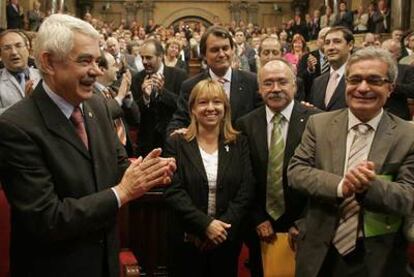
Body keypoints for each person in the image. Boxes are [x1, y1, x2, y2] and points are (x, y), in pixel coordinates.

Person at [0, 14, 175, 277]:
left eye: (97, 60)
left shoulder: (96, 105)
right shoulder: (15, 126)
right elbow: (48, 219)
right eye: (85, 61)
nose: (96, 70)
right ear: (48, 62)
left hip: (104, 263)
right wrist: (122, 192)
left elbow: (115, 166)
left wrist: (146, 170)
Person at [288, 47, 414, 277]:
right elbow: (297, 171)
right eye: (355, 79)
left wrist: (369, 186)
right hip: (319, 254)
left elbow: (409, 197)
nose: (363, 88)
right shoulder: (319, 124)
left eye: (374, 80)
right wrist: (342, 186)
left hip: (379, 260)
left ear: (390, 88)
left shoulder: (408, 135)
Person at [236, 59, 319, 277]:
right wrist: (257, 218)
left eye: (282, 82)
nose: (275, 89)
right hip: (260, 227)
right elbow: (244, 177)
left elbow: (322, 176)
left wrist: (303, 222)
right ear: (259, 89)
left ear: (295, 85)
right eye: (268, 83)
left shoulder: (317, 121)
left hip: (305, 227)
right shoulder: (245, 123)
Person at [164, 79, 254, 277]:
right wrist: (205, 225)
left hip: (226, 240)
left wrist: (220, 230)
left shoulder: (239, 142)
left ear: (225, 108)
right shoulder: (177, 142)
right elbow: (173, 191)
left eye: (217, 102)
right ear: (193, 109)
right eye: (203, 102)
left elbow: (246, 190)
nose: (211, 108)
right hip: (187, 240)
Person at [167, 26, 261, 135]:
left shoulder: (252, 81)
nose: (221, 54)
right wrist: (178, 132)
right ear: (204, 55)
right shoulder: (191, 86)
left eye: (225, 48)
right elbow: (178, 123)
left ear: (232, 50)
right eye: (215, 50)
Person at [130, 38, 187, 157]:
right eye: (142, 58)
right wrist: (145, 98)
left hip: (172, 142)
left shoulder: (178, 75)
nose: (144, 62)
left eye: (149, 57)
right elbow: (134, 115)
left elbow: (183, 107)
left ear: (160, 56)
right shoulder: (137, 79)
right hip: (146, 145)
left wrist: (163, 92)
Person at [95, 51, 140, 156]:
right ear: (102, 70)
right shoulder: (90, 93)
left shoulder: (113, 90)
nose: (117, 69)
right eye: (114, 65)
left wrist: (127, 101)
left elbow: (136, 119)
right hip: (107, 152)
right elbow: (102, 114)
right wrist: (119, 97)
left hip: (125, 149)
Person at [309, 26, 354, 111]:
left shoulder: (359, 79)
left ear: (350, 45)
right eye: (327, 43)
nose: (331, 47)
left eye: (337, 42)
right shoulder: (317, 82)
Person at [0, 29, 42, 115]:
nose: (14, 52)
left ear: (28, 49)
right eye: (7, 48)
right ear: (0, 54)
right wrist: (25, 104)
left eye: (18, 46)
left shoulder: (44, 76)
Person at [381, 39, 414, 120]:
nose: (385, 54)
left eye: (390, 51)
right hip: (375, 113)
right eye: (383, 50)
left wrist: (392, 86)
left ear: (398, 54)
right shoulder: (373, 69)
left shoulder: (406, 69)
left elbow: (412, 90)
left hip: (398, 115)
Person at [297, 27, 331, 101]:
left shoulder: (339, 57)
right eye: (323, 37)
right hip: (312, 99)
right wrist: (310, 70)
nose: (326, 40)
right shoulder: (306, 57)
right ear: (317, 41)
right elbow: (299, 80)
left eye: (329, 37)